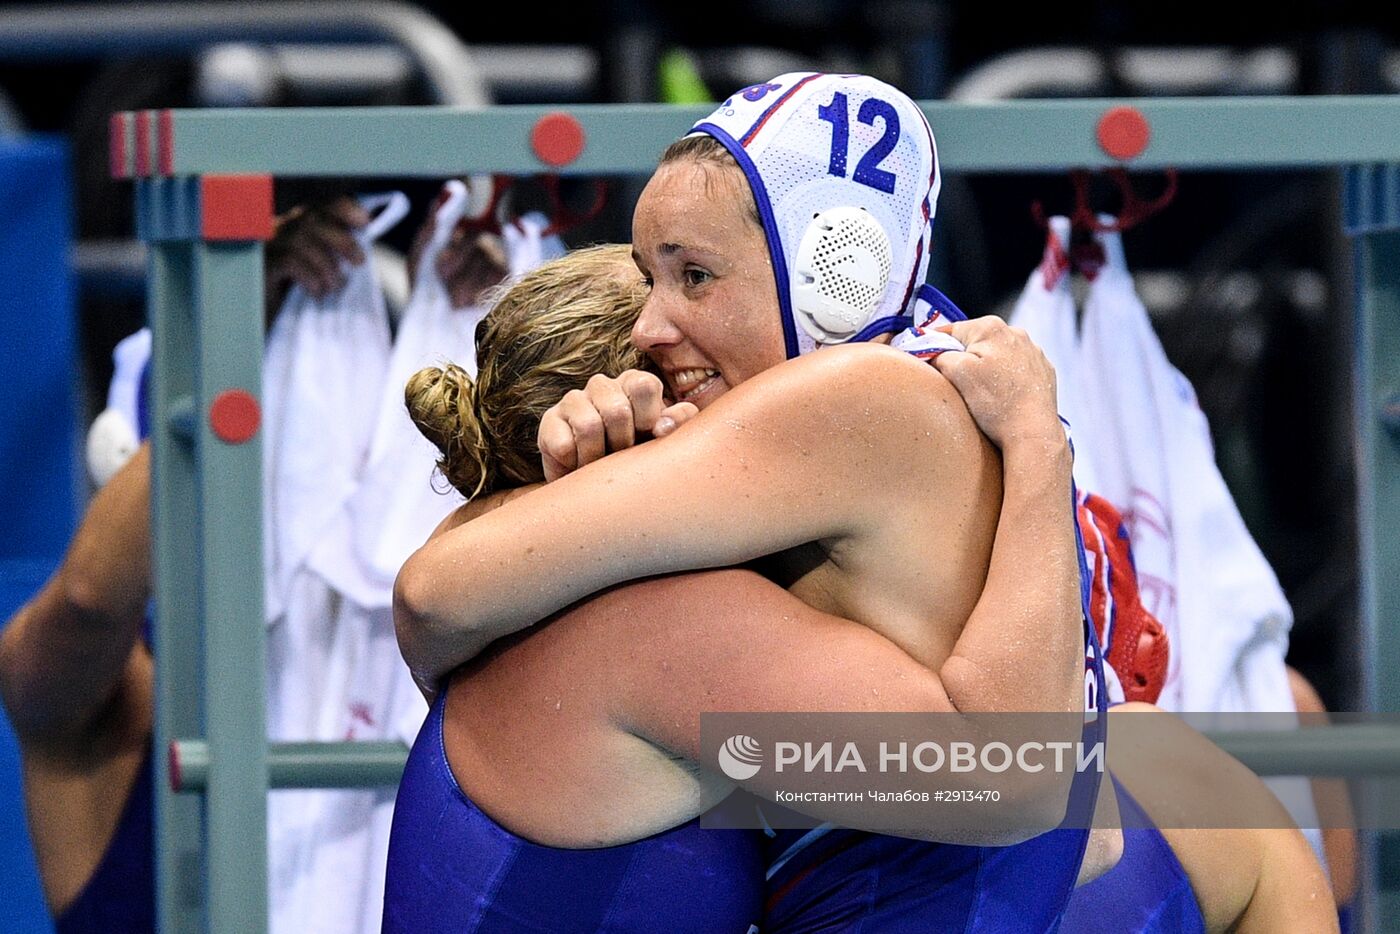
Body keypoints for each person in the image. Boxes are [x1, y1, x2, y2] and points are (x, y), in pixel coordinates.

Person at [382, 242, 1336, 932]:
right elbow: (1021, 790)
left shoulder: (523, 587)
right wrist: (1040, 449)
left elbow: (427, 599)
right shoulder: (663, 625)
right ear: (674, 436)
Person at [0, 198, 506, 933]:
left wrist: (525, 315)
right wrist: (236, 328)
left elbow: (737, 794)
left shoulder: (633, 656)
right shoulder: (95, 704)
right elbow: (85, 598)